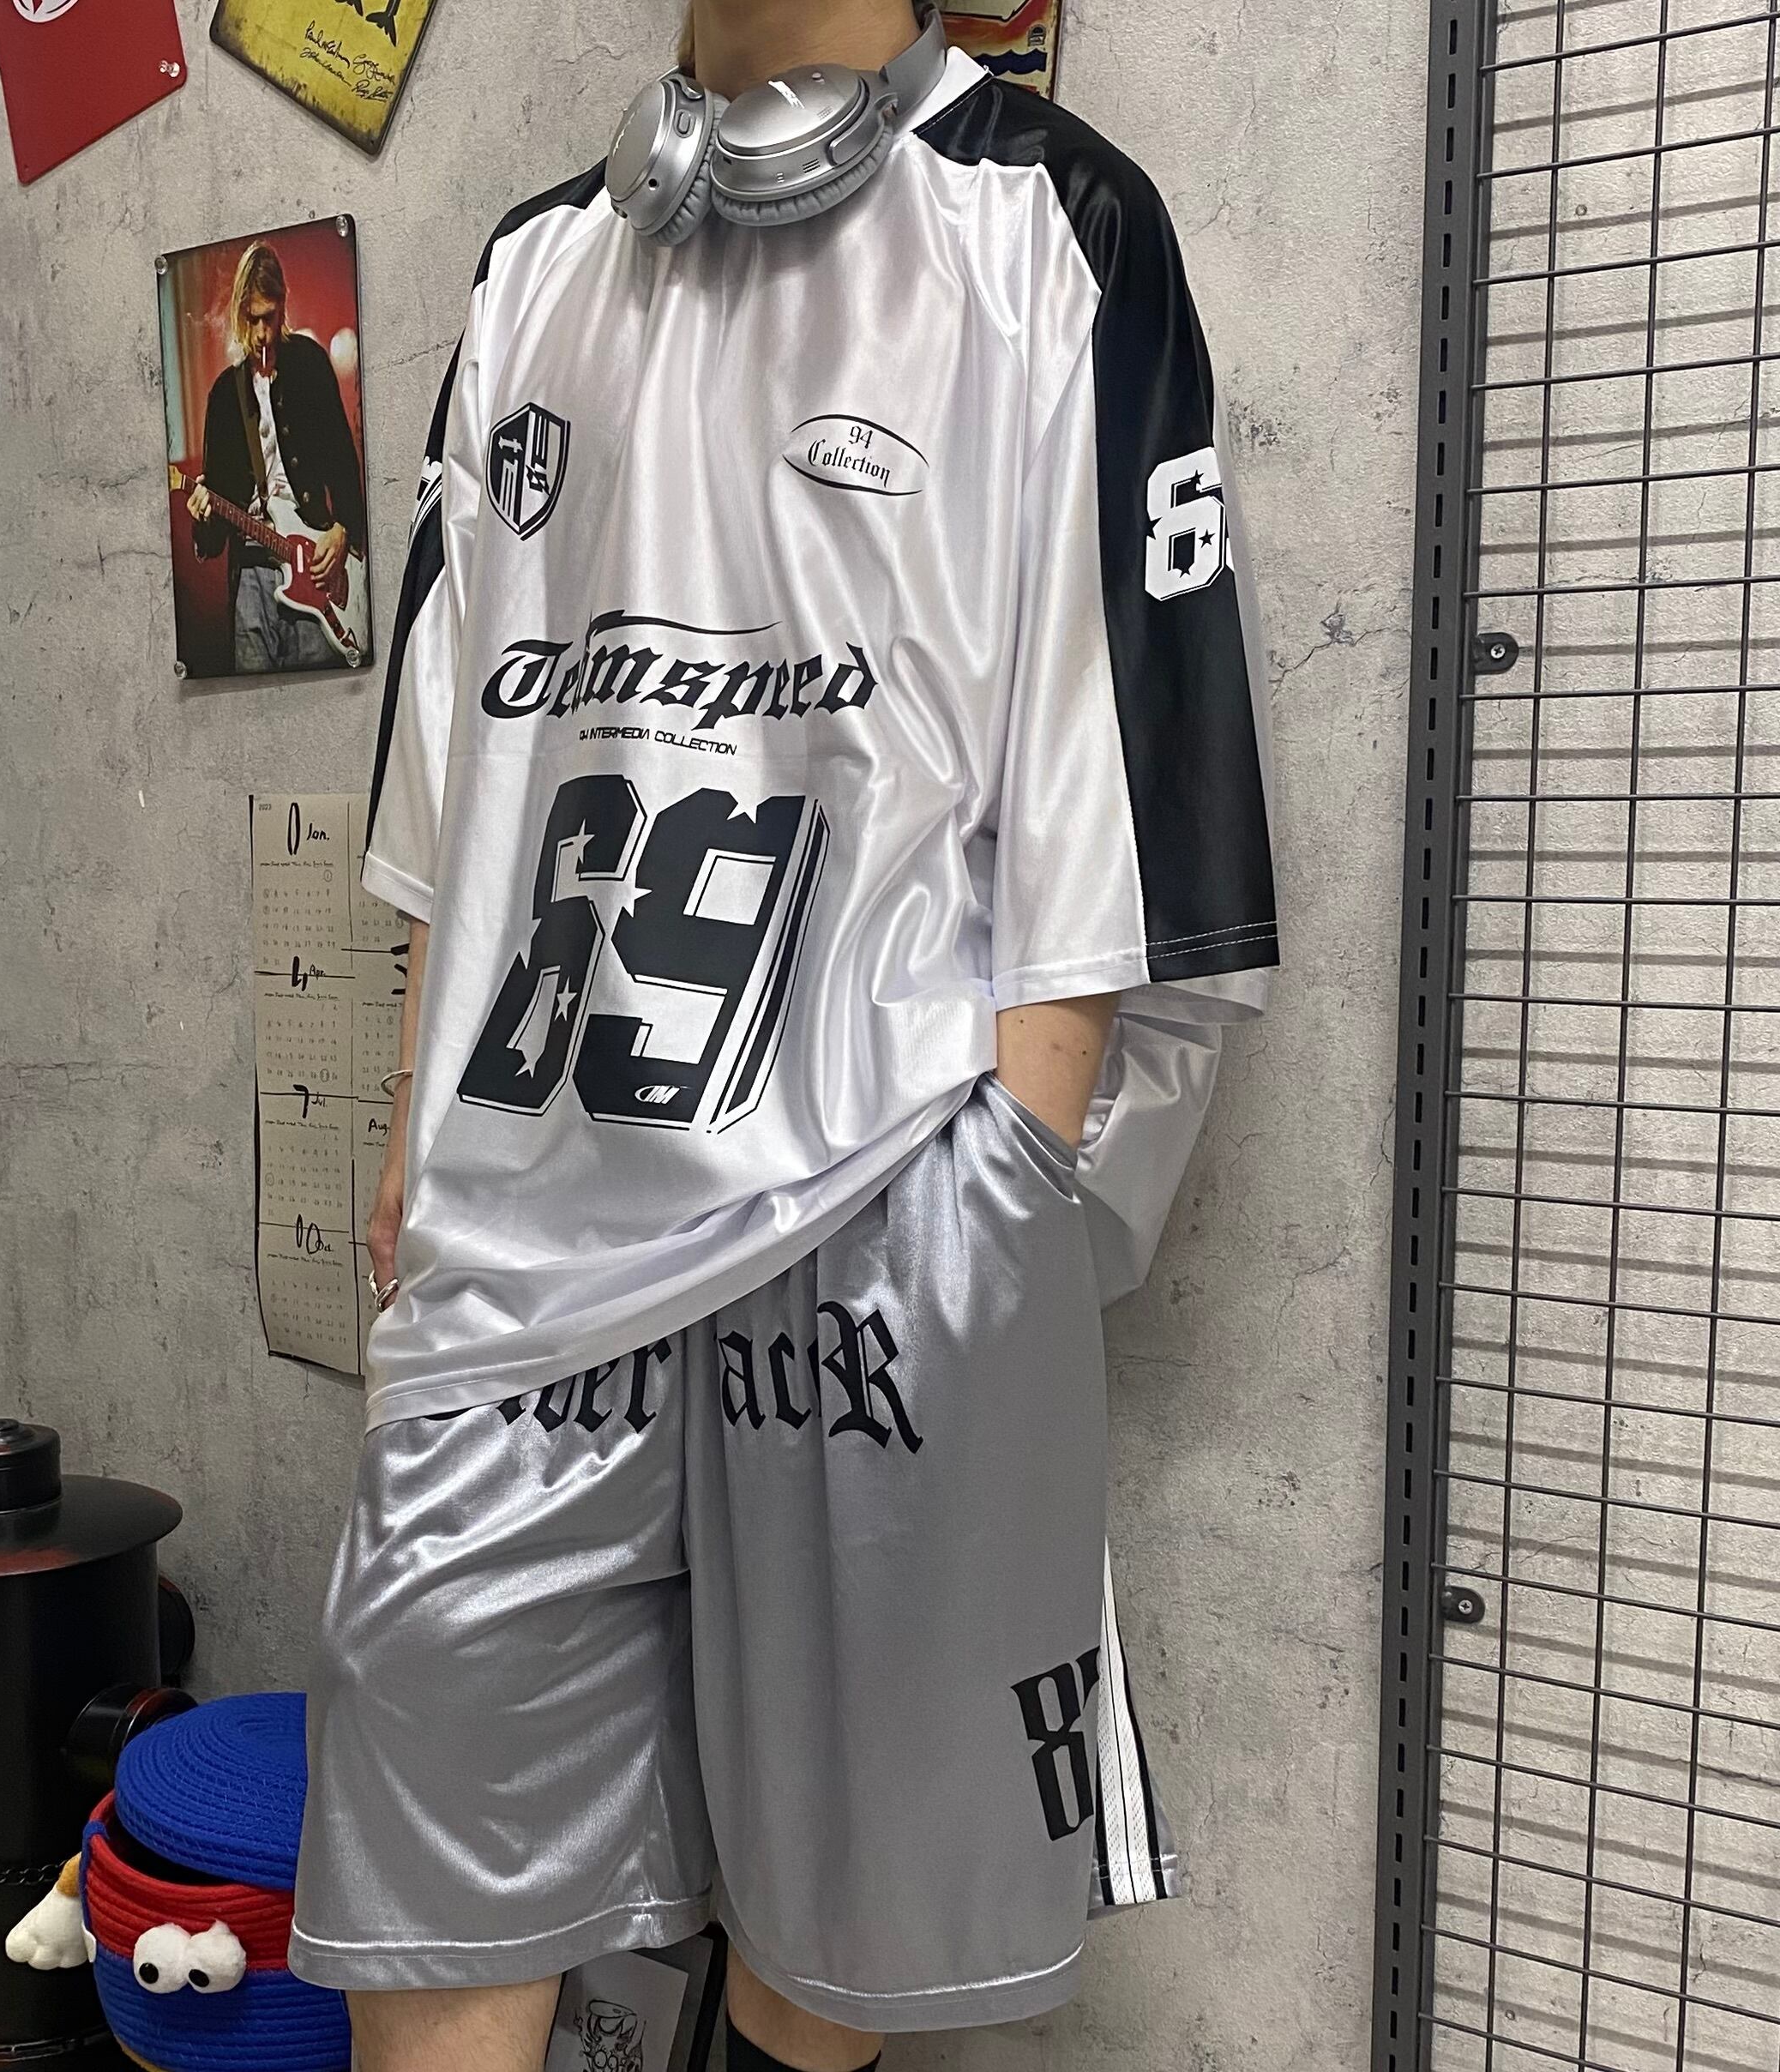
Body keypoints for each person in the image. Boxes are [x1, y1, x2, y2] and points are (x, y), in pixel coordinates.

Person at [290, 2, 1278, 2067]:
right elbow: (454, 778)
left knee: (824, 1953)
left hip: (876, 1217)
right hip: (520, 1242)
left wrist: (1003, 1186)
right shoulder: (534, 265)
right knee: (437, 1912)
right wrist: (409, 1137)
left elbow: (1117, 778)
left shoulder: (1056, 225)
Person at [185, 240, 366, 672]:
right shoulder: (224, 396)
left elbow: (345, 464)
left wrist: (342, 530)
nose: (262, 333)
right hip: (252, 576)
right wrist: (203, 515)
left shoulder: (310, 365)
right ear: (238, 315)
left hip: (316, 566)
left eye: (269, 317)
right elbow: (213, 532)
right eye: (251, 320)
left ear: (283, 306)